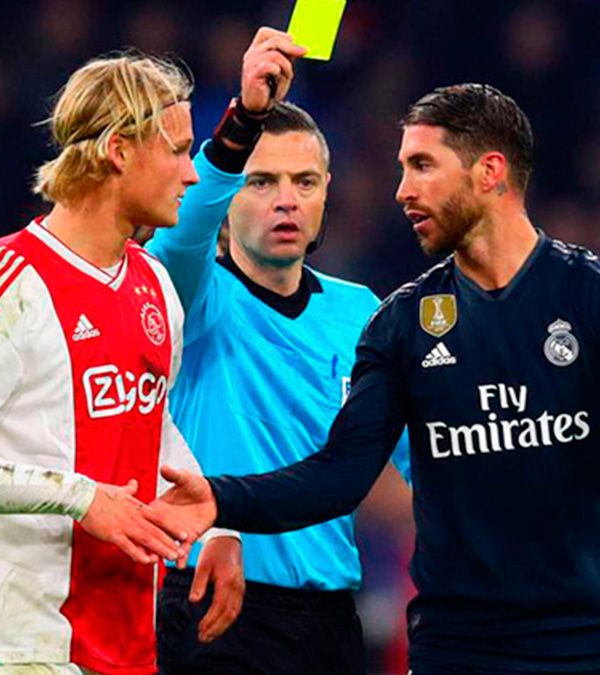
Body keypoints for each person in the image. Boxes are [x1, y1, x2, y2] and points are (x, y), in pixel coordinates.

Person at [146, 83, 600, 673]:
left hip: (590, 650)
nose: (402, 190)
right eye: (403, 168)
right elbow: (341, 475)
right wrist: (222, 500)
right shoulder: (400, 326)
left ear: (489, 172)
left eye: (422, 166)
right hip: (455, 653)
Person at [0, 33, 300, 674]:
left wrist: (215, 522)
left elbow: (148, 417)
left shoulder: (152, 284)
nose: (191, 171)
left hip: (127, 641)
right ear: (118, 150)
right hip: (20, 643)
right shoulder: (3, 282)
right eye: (174, 151)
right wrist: (81, 496)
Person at [146, 90, 410, 671]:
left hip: (331, 620)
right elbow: (178, 240)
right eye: (261, 182)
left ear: (326, 193)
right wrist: (239, 128)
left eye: (304, 182)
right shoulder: (192, 298)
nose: (286, 201)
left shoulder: (362, 313)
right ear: (225, 198)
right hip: (211, 609)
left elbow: (425, 463)